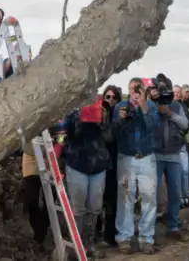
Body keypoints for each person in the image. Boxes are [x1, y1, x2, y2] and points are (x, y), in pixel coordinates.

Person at [112, 77, 159, 255]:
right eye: (132, 89)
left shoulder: (150, 106)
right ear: (128, 90)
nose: (135, 92)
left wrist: (143, 105)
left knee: (149, 197)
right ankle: (124, 237)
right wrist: (122, 118)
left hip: (147, 158)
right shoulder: (121, 107)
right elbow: (114, 132)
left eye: (138, 88)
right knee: (125, 197)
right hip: (126, 158)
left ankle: (146, 238)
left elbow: (153, 126)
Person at [61, 106, 112, 258]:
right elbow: (64, 138)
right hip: (77, 164)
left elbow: (109, 138)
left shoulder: (100, 110)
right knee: (78, 209)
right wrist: (80, 121)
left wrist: (102, 122)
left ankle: (89, 244)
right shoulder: (70, 112)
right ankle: (76, 246)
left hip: (98, 165)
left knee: (95, 208)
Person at [152, 75, 189, 242]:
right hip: (155, 155)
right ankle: (149, 229)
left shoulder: (177, 106)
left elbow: (186, 124)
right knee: (152, 193)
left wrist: (170, 114)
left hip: (174, 155)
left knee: (175, 192)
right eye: (158, 88)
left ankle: (173, 225)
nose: (161, 91)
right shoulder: (151, 105)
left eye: (163, 88)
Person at [96, 85, 122, 246]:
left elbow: (113, 139)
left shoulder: (119, 117)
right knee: (96, 201)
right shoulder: (97, 115)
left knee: (111, 201)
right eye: (108, 97)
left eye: (114, 98)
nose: (110, 100)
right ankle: (95, 231)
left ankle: (109, 235)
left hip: (113, 164)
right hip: (97, 164)